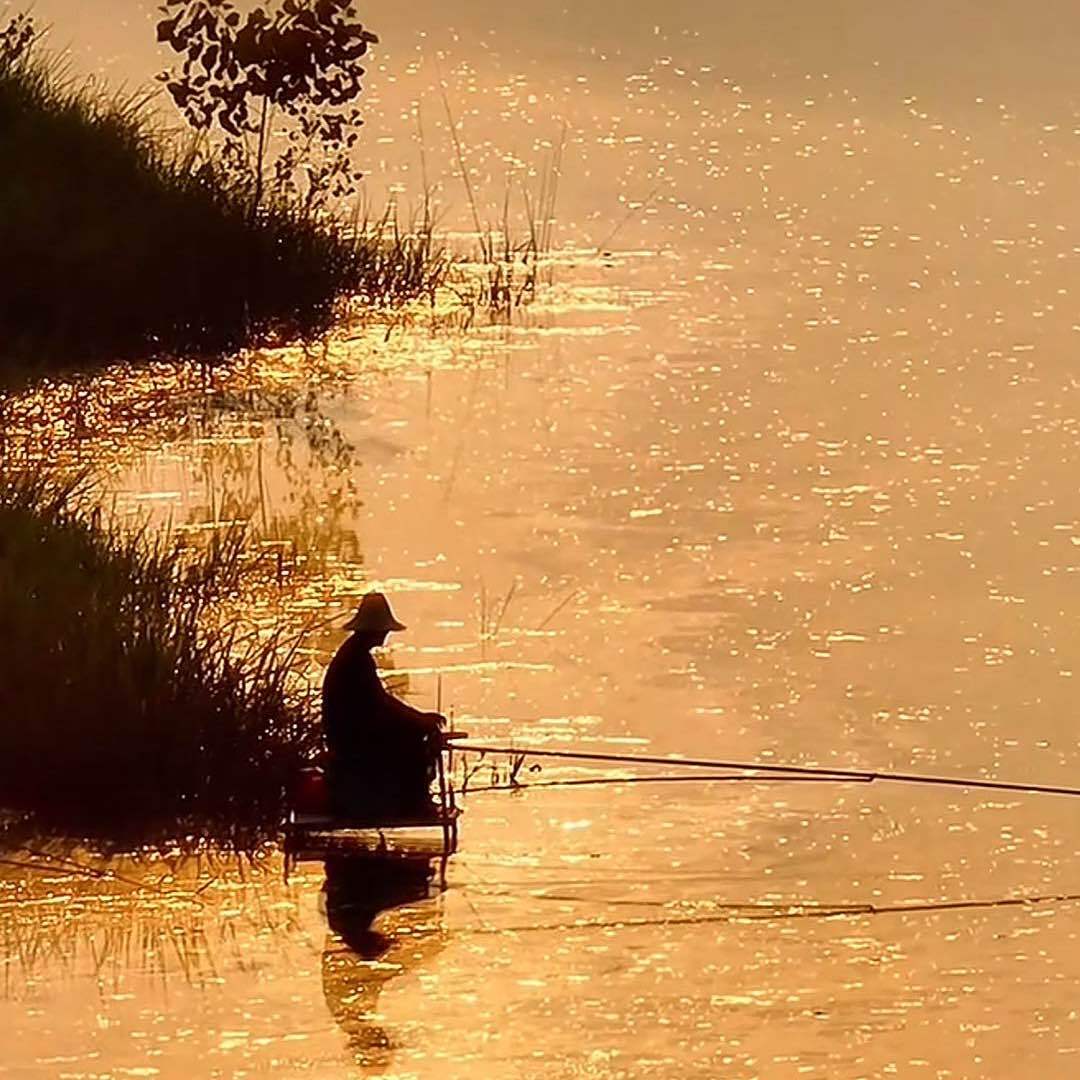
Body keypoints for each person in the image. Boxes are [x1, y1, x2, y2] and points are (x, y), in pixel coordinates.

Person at [321, 592, 445, 822]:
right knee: (413, 743)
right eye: (384, 630)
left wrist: (418, 718)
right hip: (349, 738)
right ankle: (412, 804)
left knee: (412, 733)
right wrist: (418, 722)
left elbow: (381, 702)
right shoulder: (356, 660)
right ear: (375, 630)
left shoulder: (355, 655)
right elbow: (380, 705)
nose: (386, 634)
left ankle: (410, 801)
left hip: (350, 732)